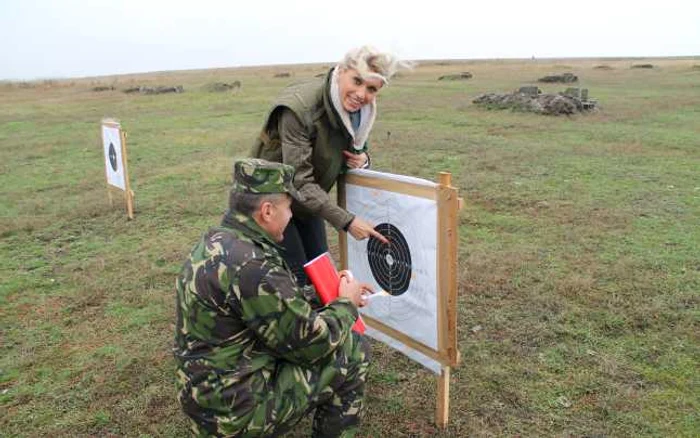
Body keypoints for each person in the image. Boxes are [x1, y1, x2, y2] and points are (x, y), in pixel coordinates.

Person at [174, 158, 375, 437]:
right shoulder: (254, 267)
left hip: (204, 398)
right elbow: (315, 345)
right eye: (289, 207)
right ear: (267, 211)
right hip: (235, 416)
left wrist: (315, 293)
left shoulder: (218, 242)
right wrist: (346, 303)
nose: (291, 216)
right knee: (354, 349)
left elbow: (261, 304)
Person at [251, 45, 408, 285]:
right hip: (270, 198)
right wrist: (347, 221)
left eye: (371, 89)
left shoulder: (360, 113)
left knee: (322, 272)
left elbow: (350, 148)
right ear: (342, 70)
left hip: (308, 200)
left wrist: (363, 160)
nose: (361, 94)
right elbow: (298, 181)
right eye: (356, 81)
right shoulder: (299, 108)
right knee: (297, 279)